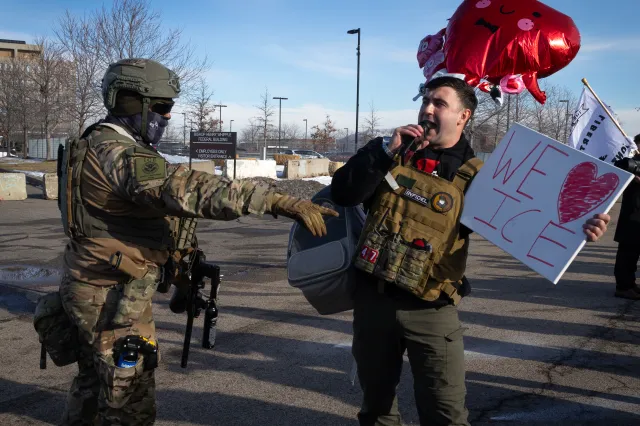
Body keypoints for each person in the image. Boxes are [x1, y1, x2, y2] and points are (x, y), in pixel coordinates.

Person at [55, 58, 337, 425]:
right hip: (108, 294)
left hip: (94, 282)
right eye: (162, 107)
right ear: (131, 102)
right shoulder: (118, 153)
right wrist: (274, 200)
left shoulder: (94, 142)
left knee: (93, 382)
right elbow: (189, 189)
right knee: (129, 399)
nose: (167, 117)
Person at [331, 75, 610, 426]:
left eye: (440, 103)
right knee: (376, 410)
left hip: (431, 310)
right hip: (374, 303)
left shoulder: (482, 178)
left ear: (463, 116)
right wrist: (385, 151)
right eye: (426, 100)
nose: (427, 109)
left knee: (446, 413)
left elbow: (530, 225)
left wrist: (580, 226)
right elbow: (343, 194)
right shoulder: (388, 151)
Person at [613, 134, 640, 300]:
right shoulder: (630, 161)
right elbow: (621, 166)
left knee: (633, 253)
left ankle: (631, 284)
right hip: (632, 215)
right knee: (627, 254)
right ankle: (623, 287)